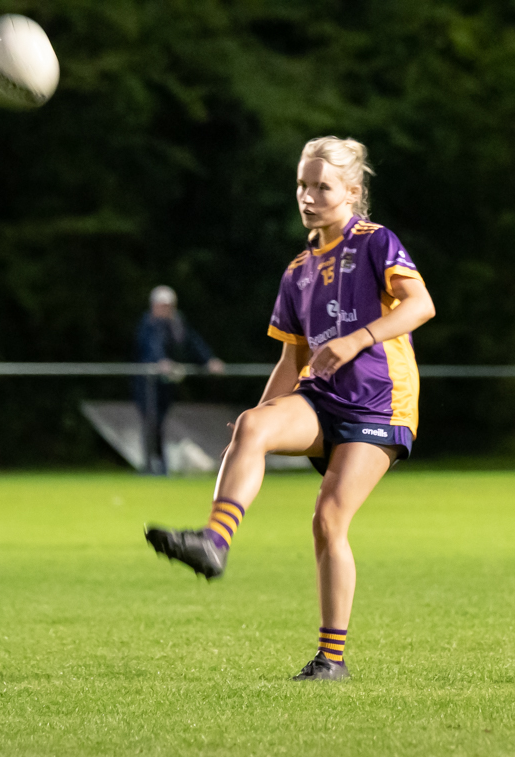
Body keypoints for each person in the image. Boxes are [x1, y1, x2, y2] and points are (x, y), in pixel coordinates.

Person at [145, 136, 435, 680]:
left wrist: (356, 339)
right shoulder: (298, 270)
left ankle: (331, 660)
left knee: (328, 521)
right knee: (253, 425)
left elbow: (422, 305)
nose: (308, 195)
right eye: (302, 184)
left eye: (322, 186)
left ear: (351, 192)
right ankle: (213, 543)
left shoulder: (376, 242)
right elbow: (291, 358)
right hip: (321, 399)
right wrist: (260, 416)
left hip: (380, 405)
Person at [134, 285, 225, 474]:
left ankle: (160, 466)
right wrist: (161, 361)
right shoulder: (148, 323)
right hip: (147, 384)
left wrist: (209, 360)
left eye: (169, 305)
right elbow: (150, 348)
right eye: (162, 305)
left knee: (160, 422)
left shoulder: (178, 323)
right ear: (154, 305)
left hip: (165, 383)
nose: (166, 309)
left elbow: (193, 343)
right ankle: (152, 465)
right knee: (151, 422)